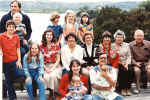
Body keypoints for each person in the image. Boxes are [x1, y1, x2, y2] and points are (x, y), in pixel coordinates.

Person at [0, 20, 25, 100]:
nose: (11, 28)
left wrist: (19, 60)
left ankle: (12, 95)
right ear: (6, 27)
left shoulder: (16, 37)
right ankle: (12, 97)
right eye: (9, 27)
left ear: (15, 28)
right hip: (5, 62)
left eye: (13, 27)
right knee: (8, 80)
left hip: (14, 61)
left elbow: (18, 49)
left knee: (21, 75)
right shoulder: (1, 36)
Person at [40, 28, 62, 98]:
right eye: (47, 35)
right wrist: (45, 68)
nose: (49, 36)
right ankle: (50, 91)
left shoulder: (57, 46)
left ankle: (54, 92)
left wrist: (53, 68)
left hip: (55, 65)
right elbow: (40, 60)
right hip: (45, 65)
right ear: (45, 36)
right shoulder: (41, 46)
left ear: (52, 36)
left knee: (53, 76)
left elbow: (58, 59)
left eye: (50, 35)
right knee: (46, 76)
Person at [112, 30, 134, 96]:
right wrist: (116, 52)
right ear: (115, 38)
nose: (119, 38)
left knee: (130, 70)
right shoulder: (112, 45)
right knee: (123, 71)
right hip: (117, 63)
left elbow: (129, 55)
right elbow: (112, 57)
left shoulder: (127, 45)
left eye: (121, 37)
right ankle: (123, 89)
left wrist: (127, 63)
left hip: (126, 62)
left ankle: (128, 88)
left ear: (123, 38)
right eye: (118, 37)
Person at [129, 29, 150, 94]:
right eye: (137, 36)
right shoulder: (130, 45)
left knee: (149, 70)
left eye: (141, 36)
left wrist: (149, 64)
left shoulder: (148, 43)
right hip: (136, 62)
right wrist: (135, 63)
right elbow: (130, 57)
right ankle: (137, 87)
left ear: (143, 37)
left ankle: (147, 85)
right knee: (137, 71)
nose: (139, 37)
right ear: (134, 36)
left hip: (146, 62)